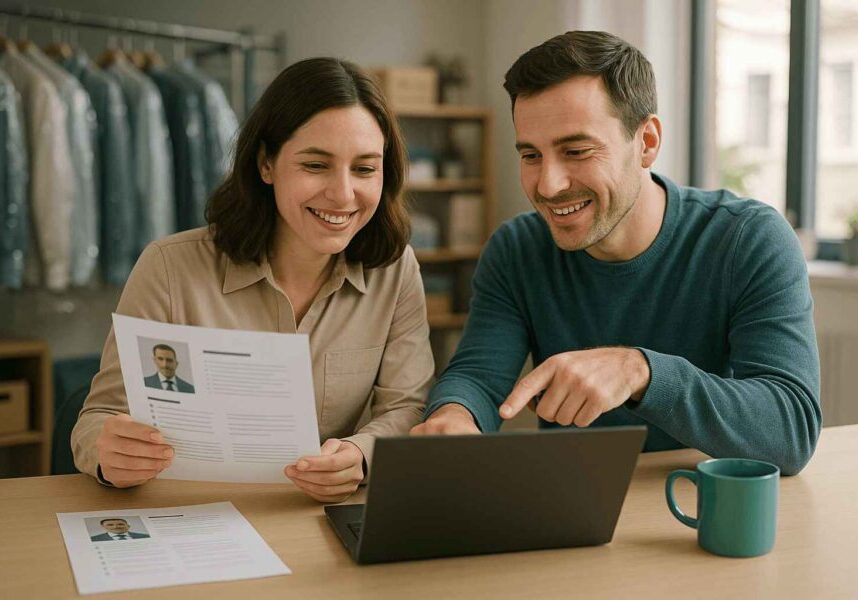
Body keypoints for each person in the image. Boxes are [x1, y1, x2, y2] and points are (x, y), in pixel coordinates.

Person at [411, 31, 821, 476]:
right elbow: (477, 378)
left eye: (576, 151)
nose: (548, 185)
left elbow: (791, 429)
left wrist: (641, 371)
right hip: (570, 510)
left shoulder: (748, 239)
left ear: (646, 142)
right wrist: (454, 415)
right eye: (531, 155)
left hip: (701, 513)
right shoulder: (517, 249)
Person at [72, 58, 434, 501]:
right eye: (316, 165)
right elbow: (99, 417)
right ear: (266, 164)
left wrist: (359, 455)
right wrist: (110, 455)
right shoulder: (168, 267)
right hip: (191, 517)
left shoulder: (396, 271)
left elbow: (406, 406)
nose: (343, 194)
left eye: (364, 169)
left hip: (319, 520)